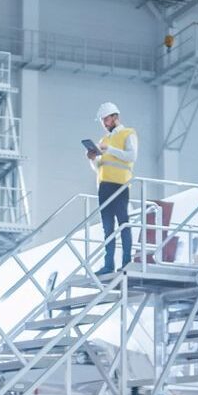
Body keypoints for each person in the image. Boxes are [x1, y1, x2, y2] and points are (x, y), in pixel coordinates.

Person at [87, 101, 137, 276]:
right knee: (107, 227)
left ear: (115, 117)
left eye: (105, 119)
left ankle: (126, 262)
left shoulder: (128, 133)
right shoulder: (103, 140)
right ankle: (108, 265)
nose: (104, 123)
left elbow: (132, 156)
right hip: (104, 186)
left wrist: (110, 149)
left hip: (120, 185)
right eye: (102, 120)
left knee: (123, 224)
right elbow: (99, 166)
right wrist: (92, 158)